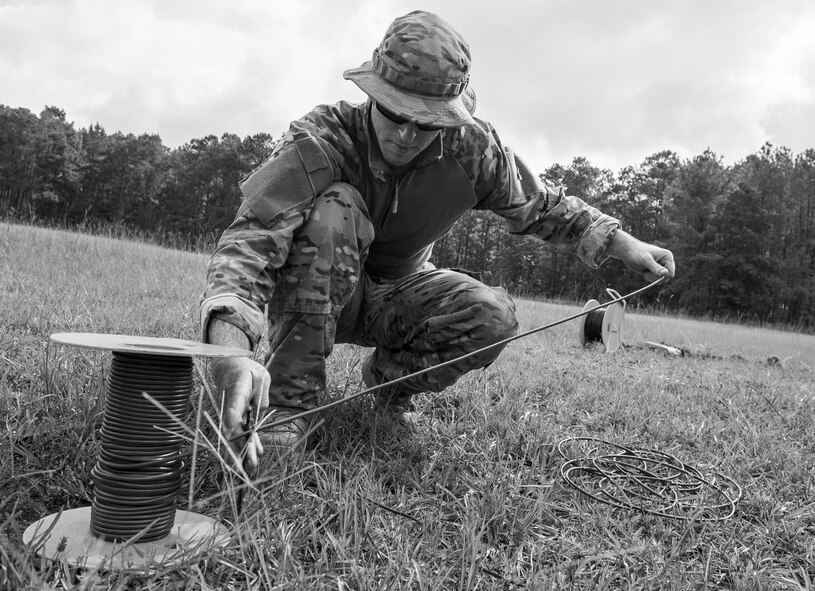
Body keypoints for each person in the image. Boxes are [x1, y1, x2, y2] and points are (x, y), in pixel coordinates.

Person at [201, 10, 675, 467]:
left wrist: (624, 244)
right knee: (334, 208)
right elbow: (251, 240)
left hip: (397, 296)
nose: (406, 135)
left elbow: (542, 205)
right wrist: (228, 353)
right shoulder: (324, 138)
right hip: (317, 292)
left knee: (491, 315)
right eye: (393, 113)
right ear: (372, 93)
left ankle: (386, 388)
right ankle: (289, 404)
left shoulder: (471, 149)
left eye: (427, 123)